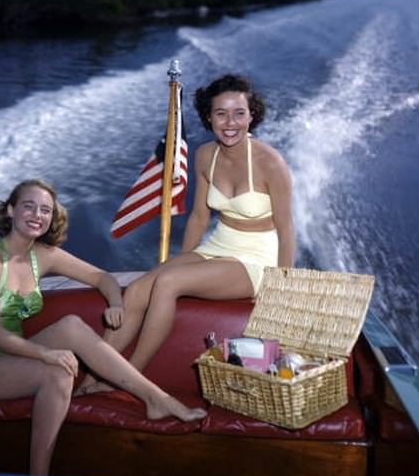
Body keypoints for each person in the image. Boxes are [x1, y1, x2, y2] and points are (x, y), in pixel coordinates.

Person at [0, 179, 206, 476]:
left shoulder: (43, 256)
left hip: (12, 354)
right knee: (58, 373)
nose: (37, 215)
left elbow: (101, 277)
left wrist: (116, 303)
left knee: (72, 326)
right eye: (28, 206)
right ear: (11, 211)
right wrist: (46, 354)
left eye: (45, 210)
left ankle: (156, 399)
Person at [77, 74, 295, 394]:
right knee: (138, 289)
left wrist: (280, 286)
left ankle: (128, 379)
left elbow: (287, 227)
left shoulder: (270, 162)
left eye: (239, 113)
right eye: (221, 113)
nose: (230, 122)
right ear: (209, 117)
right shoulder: (205, 155)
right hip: (219, 243)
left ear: (252, 116)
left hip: (257, 257)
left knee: (167, 283)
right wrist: (183, 260)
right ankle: (92, 377)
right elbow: (198, 216)